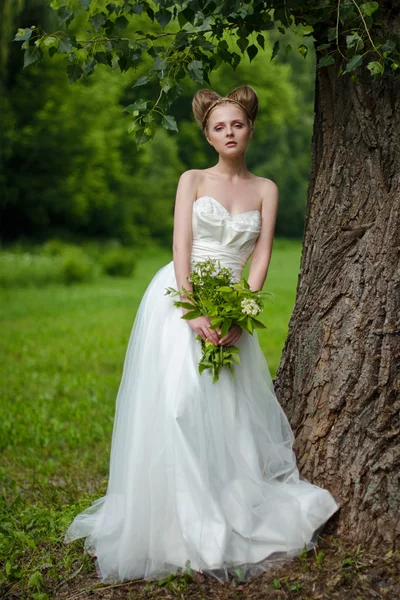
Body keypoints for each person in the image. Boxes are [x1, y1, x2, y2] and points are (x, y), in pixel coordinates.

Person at [64, 85, 339, 584]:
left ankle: (227, 503)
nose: (229, 132)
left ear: (250, 129)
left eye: (237, 124)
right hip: (181, 298)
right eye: (219, 126)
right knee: (181, 403)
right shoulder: (192, 179)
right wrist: (193, 310)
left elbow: (260, 257)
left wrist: (240, 313)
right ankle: (176, 520)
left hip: (233, 302)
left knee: (229, 409)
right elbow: (181, 246)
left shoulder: (266, 188)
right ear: (208, 135)